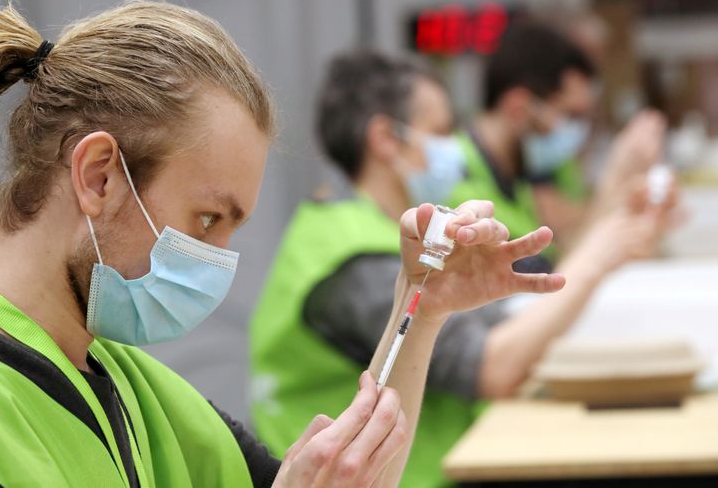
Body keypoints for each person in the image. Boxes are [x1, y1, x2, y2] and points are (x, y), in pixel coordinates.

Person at [0, 0, 564, 487]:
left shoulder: (132, 383)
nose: (219, 259)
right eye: (206, 219)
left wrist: (419, 307)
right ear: (100, 176)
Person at [250, 50, 675, 488]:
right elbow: (490, 367)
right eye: (440, 132)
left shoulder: (405, 230)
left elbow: (509, 325)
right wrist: (598, 256)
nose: (457, 148)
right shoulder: (352, 261)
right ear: (385, 139)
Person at [454, 21, 667, 255]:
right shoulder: (458, 187)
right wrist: (616, 180)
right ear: (518, 107)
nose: (576, 129)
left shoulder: (520, 173)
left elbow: (568, 240)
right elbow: (558, 272)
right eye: (570, 115)